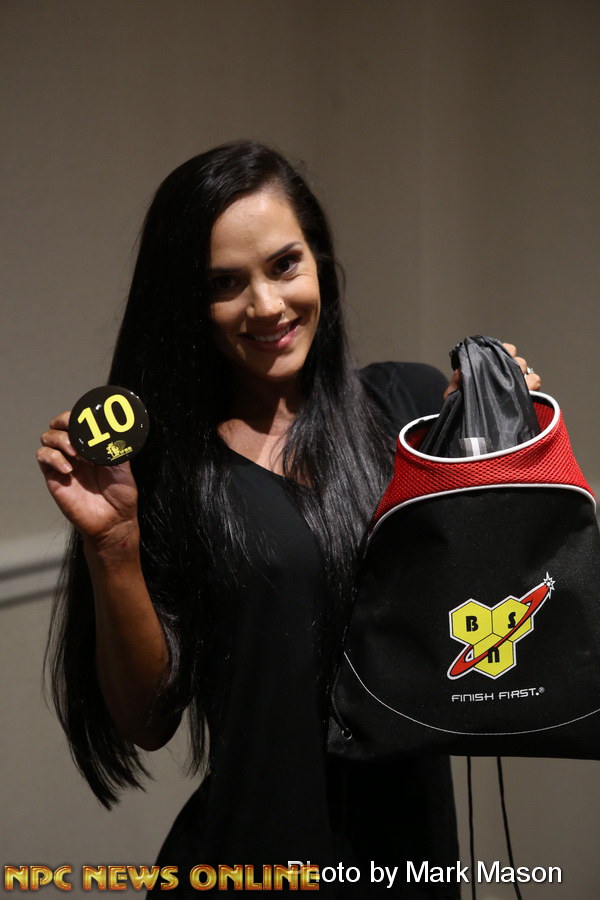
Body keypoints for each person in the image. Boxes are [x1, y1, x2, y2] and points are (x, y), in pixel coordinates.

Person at [37, 140, 541, 898]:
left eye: (283, 265)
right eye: (224, 283)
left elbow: (496, 595)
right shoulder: (162, 472)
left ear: (319, 265)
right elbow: (148, 721)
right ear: (187, 302)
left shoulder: (404, 410)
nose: (267, 306)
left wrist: (500, 439)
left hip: (412, 859)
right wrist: (112, 543)